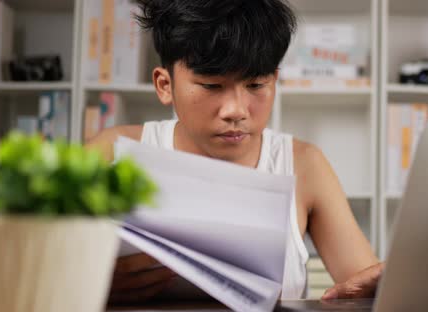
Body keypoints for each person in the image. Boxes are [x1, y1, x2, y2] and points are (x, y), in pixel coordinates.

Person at [86, 0, 384, 304]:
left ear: (275, 81)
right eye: (212, 86)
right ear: (165, 85)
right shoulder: (113, 153)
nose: (236, 111)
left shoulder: (304, 165)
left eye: (256, 84)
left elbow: (367, 289)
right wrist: (88, 279)